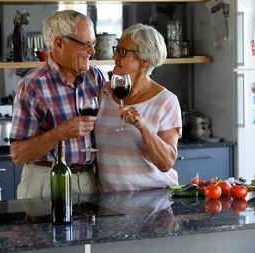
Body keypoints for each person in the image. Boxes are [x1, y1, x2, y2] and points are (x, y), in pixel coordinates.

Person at [10, 10, 105, 198]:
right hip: (45, 180)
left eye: (93, 43)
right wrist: (59, 133)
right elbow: (18, 154)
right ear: (59, 43)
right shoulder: (32, 85)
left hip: (88, 179)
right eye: (86, 44)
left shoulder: (96, 77)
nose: (92, 51)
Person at [94, 24, 182, 192]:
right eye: (116, 49)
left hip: (154, 201)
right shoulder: (104, 93)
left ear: (144, 62)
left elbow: (166, 163)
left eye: (122, 52)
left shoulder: (166, 101)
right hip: (111, 203)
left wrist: (142, 127)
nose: (115, 56)